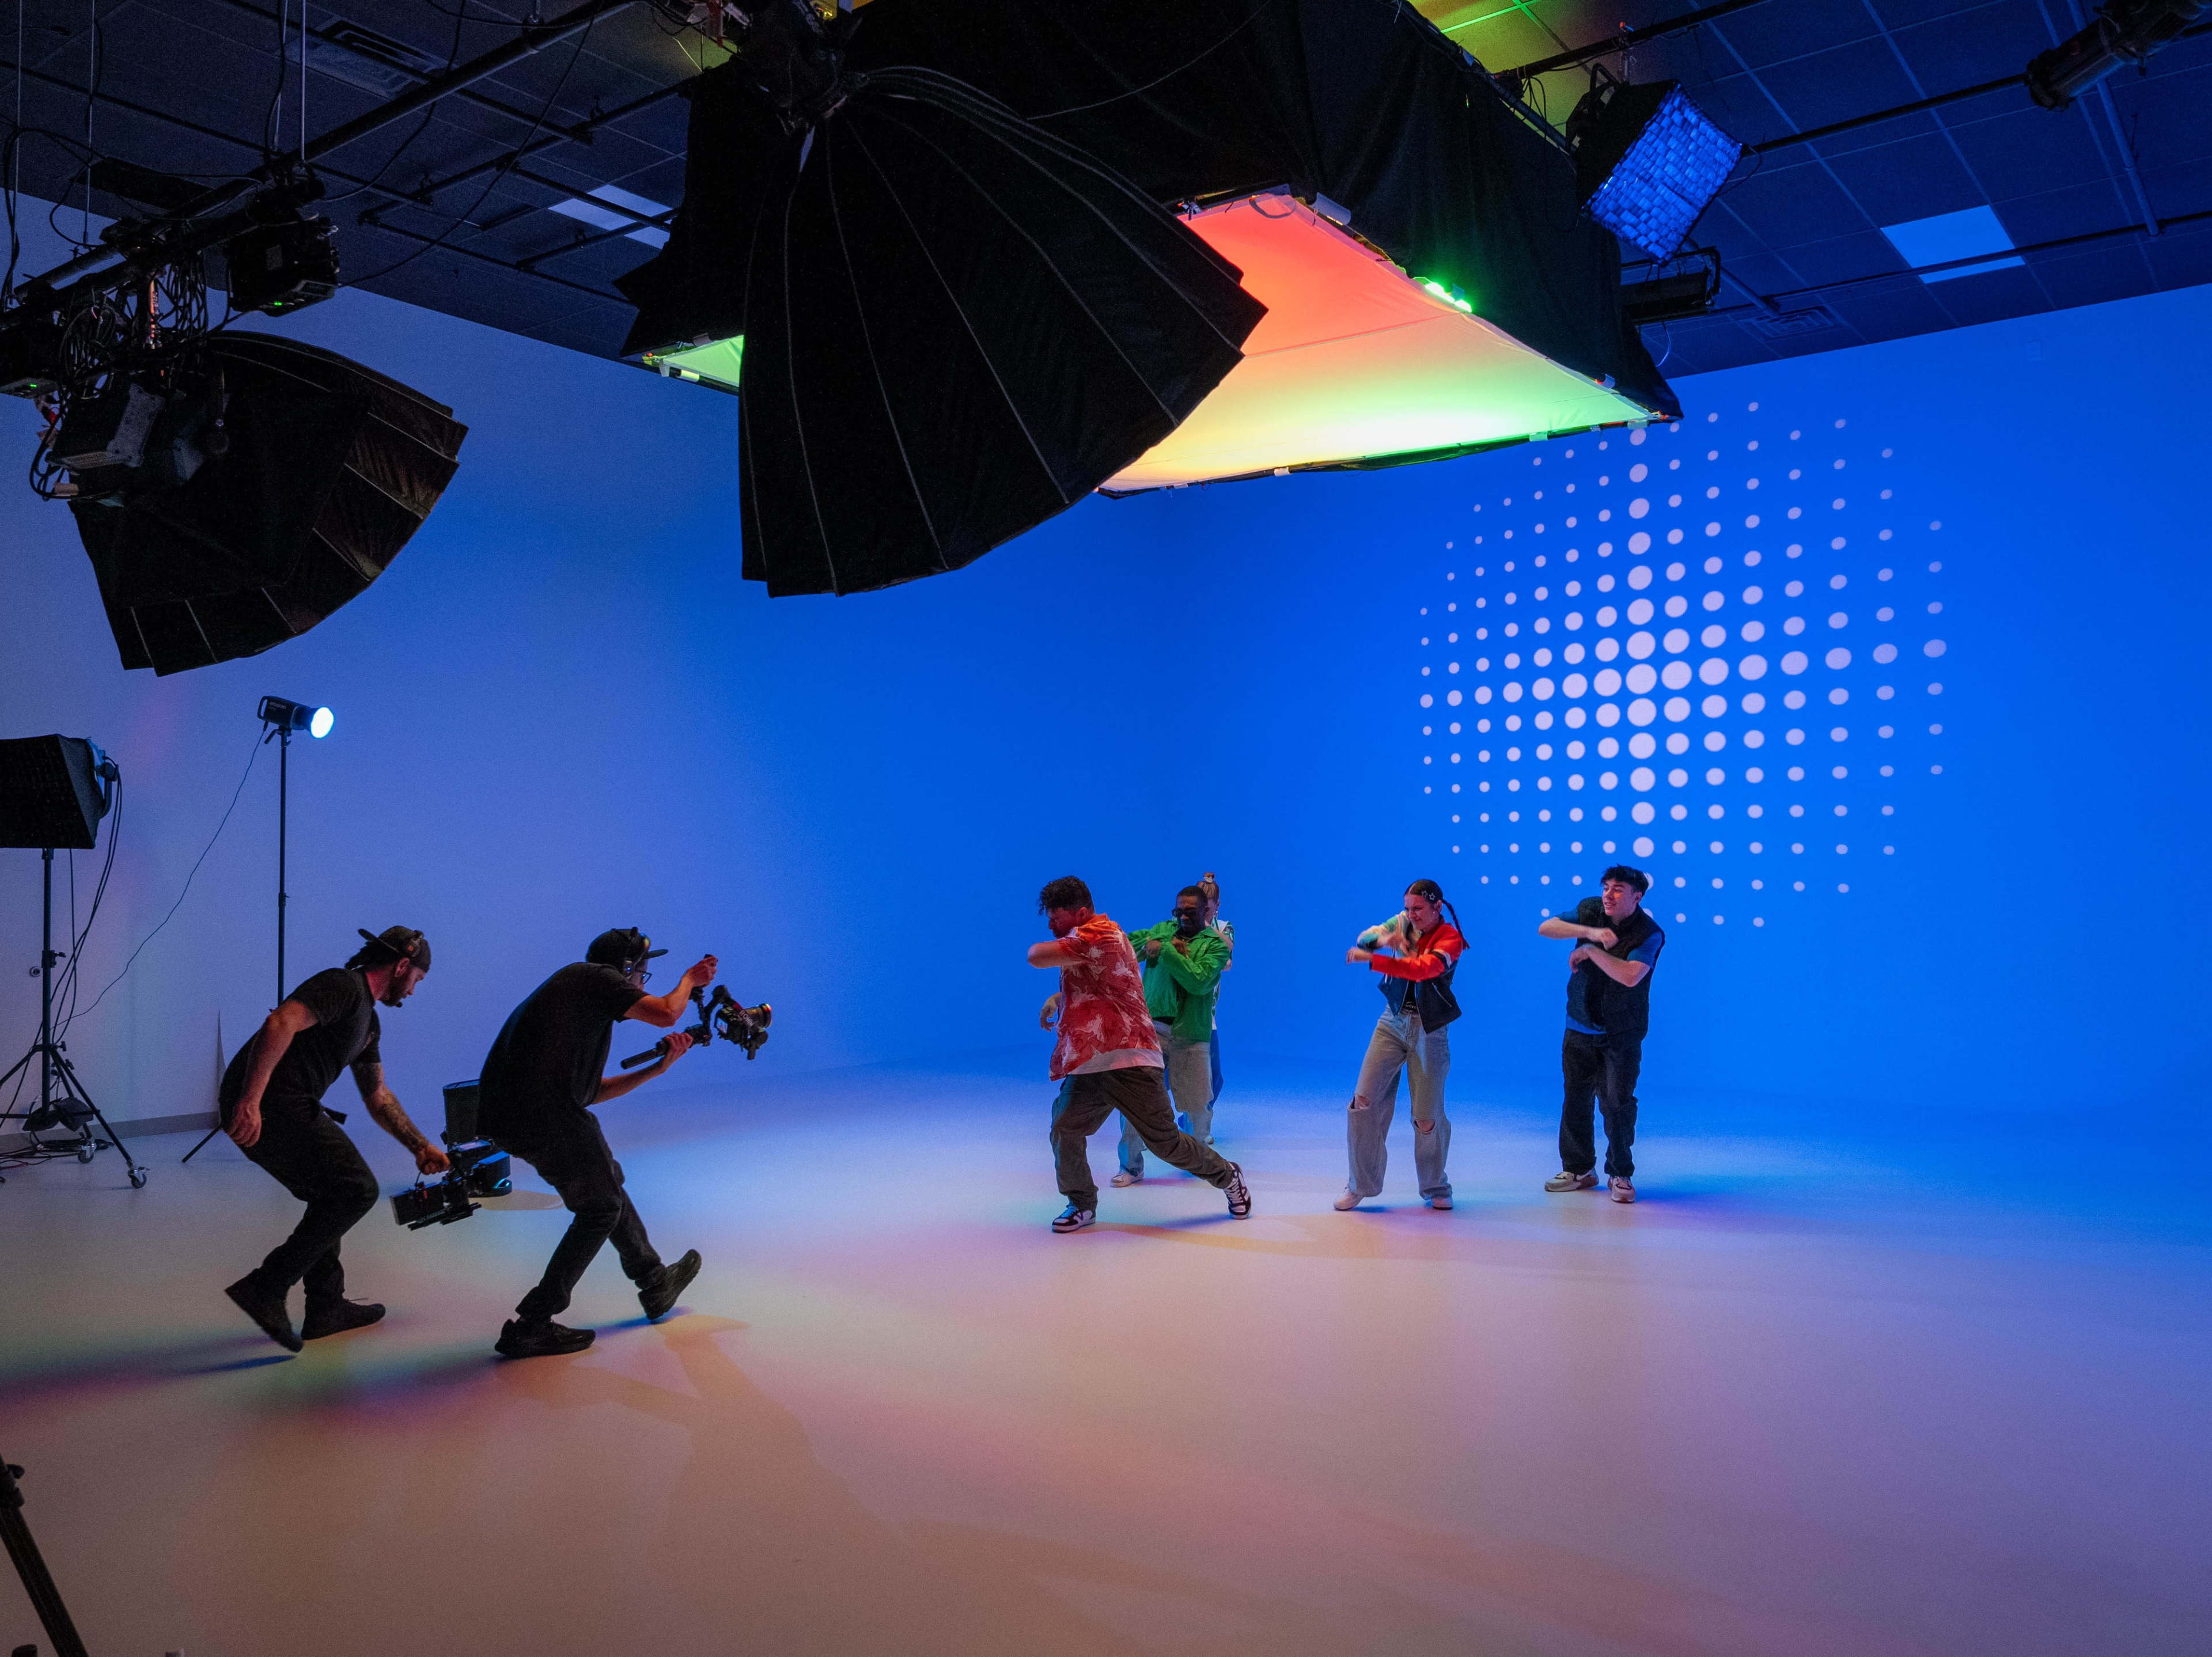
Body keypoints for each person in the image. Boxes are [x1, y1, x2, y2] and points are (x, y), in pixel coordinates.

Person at [476, 928, 713, 1359]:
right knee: (600, 1205)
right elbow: (666, 1013)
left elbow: (590, 1092)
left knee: (607, 1182)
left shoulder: (580, 1004)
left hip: (526, 1112)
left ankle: (654, 1280)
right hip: (540, 1112)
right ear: (626, 970)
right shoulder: (594, 978)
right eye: (643, 973)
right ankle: (532, 1323)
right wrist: (689, 980)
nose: (642, 982)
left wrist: (656, 1070)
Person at [220, 926, 447, 1353]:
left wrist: (419, 1145)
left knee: (332, 1193)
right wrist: (250, 1100)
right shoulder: (344, 985)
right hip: (271, 1103)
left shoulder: (369, 1023)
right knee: (357, 1189)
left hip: (281, 1103)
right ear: (402, 965)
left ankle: (326, 1308)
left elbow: (378, 1097)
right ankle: (266, 1286)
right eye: (417, 979)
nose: (414, 991)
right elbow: (280, 1022)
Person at [1030, 876, 1251, 1233]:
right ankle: (1082, 1203)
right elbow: (1110, 970)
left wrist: (1163, 950)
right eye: (1177, 912)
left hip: (1133, 1057)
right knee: (1065, 1128)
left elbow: (1036, 956)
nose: (1051, 925)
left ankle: (1228, 1176)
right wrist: (1059, 998)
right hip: (1091, 1060)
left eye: (1056, 917)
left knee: (1166, 1141)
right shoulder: (1099, 940)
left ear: (1081, 913)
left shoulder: (1102, 933)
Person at [1537, 866, 1666, 1203]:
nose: (1609, 894)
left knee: (1617, 1104)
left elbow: (1630, 976)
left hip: (1620, 1033)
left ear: (1637, 897)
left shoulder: (1649, 933)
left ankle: (1620, 1173)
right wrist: (1590, 934)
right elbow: (1547, 927)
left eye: (1619, 889)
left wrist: (1593, 952)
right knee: (1575, 1099)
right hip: (1578, 1024)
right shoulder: (1591, 910)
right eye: (1606, 887)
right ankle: (1579, 1169)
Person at [1336, 880, 1465, 1212]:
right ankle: (1360, 1184)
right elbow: (1367, 937)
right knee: (1363, 1101)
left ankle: (1436, 1185)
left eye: (1418, 909)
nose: (1411, 915)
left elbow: (1424, 971)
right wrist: (1384, 939)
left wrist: (1376, 960)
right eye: (1408, 908)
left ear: (1437, 906)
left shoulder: (1450, 939)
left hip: (1430, 1030)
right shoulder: (1404, 922)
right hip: (1392, 1021)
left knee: (1427, 1117)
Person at [1112, 885, 1231, 1185]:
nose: (1183, 917)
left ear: (1207, 912)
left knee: (1197, 1106)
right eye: (1179, 911)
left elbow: (1200, 980)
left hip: (1192, 1034)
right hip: (1150, 1031)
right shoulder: (1163, 929)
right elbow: (1125, 947)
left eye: (1190, 912)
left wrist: (1164, 951)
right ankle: (1131, 1166)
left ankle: (1198, 1162)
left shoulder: (1215, 945)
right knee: (1134, 1101)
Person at [1198, 872, 1231, 1112]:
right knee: (1166, 1074)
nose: (1205, 914)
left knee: (1215, 1077)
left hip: (1208, 1013)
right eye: (1202, 910)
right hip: (1181, 1011)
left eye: (1208, 910)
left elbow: (1227, 961)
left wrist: (1208, 928)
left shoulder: (1223, 928)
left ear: (1217, 907)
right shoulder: (1186, 926)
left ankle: (1197, 1122)